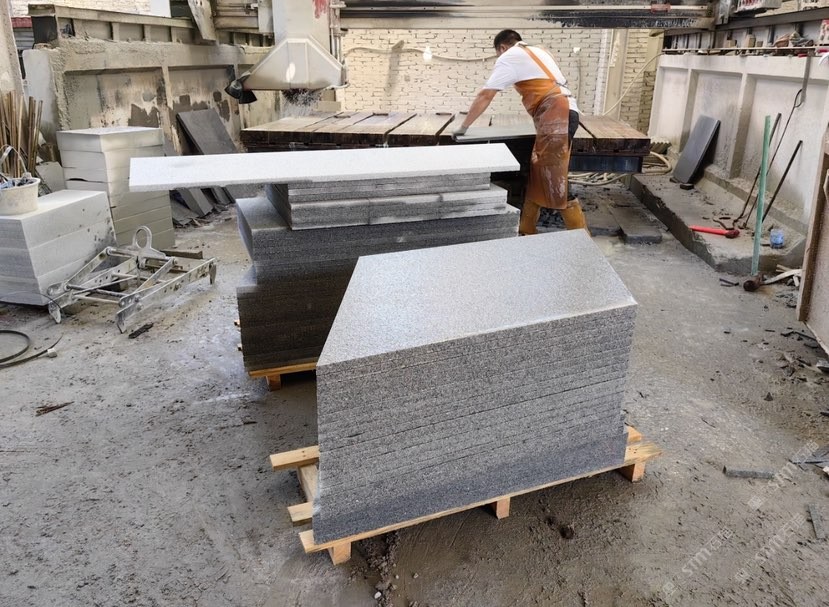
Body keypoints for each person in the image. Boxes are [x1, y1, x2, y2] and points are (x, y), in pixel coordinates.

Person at [455, 30, 588, 235]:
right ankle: (527, 228)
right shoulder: (539, 51)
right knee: (537, 172)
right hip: (563, 112)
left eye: (498, 54)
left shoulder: (509, 56)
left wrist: (464, 127)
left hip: (556, 115)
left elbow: (486, 95)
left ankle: (582, 238)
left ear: (502, 48)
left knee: (555, 179)